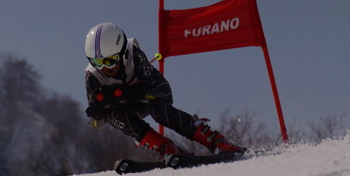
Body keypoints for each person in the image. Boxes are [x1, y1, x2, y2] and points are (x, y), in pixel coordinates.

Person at [84, 22, 243, 161]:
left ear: (122, 54)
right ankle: (165, 147)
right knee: (114, 115)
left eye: (110, 61)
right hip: (130, 106)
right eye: (97, 62)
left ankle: (215, 141)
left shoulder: (134, 55)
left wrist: (119, 94)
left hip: (155, 91)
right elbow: (95, 119)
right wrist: (98, 109)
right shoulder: (93, 76)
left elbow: (149, 88)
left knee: (159, 112)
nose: (104, 67)